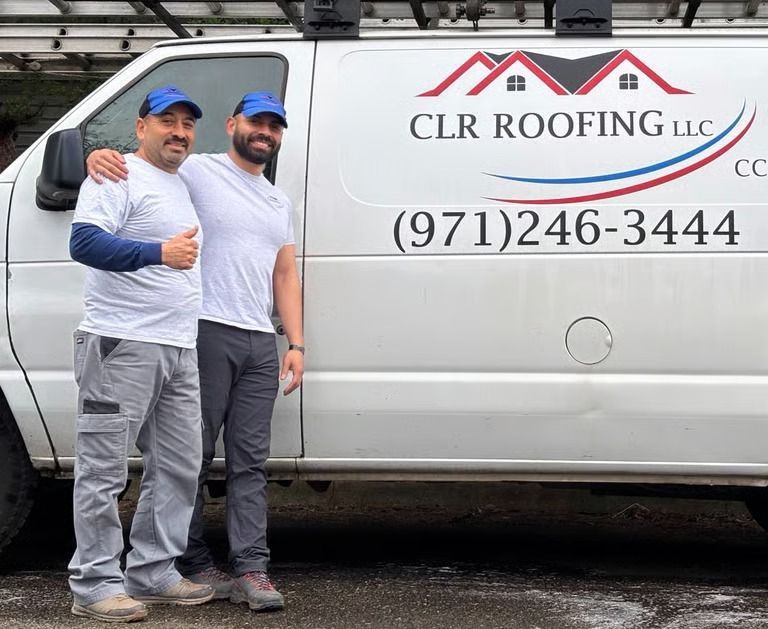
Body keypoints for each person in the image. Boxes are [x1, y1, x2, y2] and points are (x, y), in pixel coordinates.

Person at [87, 90, 305, 612]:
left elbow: (285, 272)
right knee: (189, 457)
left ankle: (253, 568)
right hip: (204, 329)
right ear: (233, 123)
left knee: (249, 461)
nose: (265, 133)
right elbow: (145, 162)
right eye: (257, 121)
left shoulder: (278, 200)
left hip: (257, 339)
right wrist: (95, 155)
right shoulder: (198, 170)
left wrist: (295, 341)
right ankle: (189, 561)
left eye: (274, 127)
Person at [68, 84, 215, 623]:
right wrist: (160, 252)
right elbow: (84, 243)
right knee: (103, 469)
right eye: (166, 120)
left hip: (178, 345)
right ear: (141, 127)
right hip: (121, 342)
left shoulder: (183, 180)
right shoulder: (115, 174)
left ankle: (152, 571)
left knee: (178, 465)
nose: (178, 131)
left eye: (187, 123)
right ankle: (94, 584)